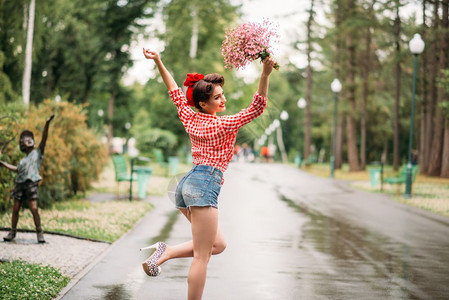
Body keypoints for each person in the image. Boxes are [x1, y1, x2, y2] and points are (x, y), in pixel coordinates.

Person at [141, 47, 276, 299]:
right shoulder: (224, 124)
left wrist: (159, 60)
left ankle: (165, 252)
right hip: (204, 184)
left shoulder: (189, 117)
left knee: (218, 244)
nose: (223, 100)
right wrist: (265, 74)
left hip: (185, 186)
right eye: (217, 98)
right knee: (202, 258)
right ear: (203, 103)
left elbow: (173, 92)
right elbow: (256, 107)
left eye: (222, 95)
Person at [1, 115, 54, 243]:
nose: (28, 140)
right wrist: (2, 163)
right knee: (15, 209)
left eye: (30, 138)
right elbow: (16, 169)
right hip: (20, 184)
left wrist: (47, 124)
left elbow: (45, 137)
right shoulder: (23, 161)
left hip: (31, 184)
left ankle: (39, 232)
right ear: (22, 145)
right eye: (25, 139)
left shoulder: (38, 153)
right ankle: (12, 232)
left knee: (34, 208)